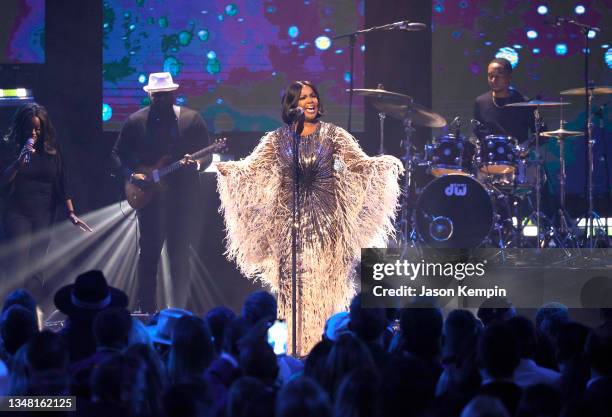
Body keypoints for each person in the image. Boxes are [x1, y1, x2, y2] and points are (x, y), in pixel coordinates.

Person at [216, 80, 403, 355]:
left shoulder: (334, 135)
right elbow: (251, 168)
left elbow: (359, 164)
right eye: (303, 98)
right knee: (294, 289)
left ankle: (325, 349)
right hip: (288, 226)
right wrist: (230, 170)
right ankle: (295, 349)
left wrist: (382, 164)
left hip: (327, 225)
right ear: (292, 105)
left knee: (325, 286)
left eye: (313, 96)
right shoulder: (277, 138)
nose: (310, 101)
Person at [112, 72, 210, 313]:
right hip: (150, 200)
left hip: (182, 200)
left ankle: (179, 309)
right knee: (148, 256)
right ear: (150, 96)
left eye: (165, 96)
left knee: (180, 256)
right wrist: (133, 176)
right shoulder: (136, 121)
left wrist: (196, 164)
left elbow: (206, 154)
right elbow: (116, 155)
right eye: (157, 96)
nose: (161, 101)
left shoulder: (191, 119)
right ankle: (146, 309)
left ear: (173, 94)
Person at [0, 103, 90, 294]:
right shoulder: (10, 147)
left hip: (44, 213)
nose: (34, 133)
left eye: (38, 128)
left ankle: (31, 311)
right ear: (21, 127)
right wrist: (18, 163)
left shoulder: (52, 149)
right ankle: (14, 310)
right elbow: (3, 181)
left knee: (36, 267)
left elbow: (62, 182)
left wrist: (71, 213)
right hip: (17, 213)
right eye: (30, 128)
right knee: (18, 264)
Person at [473, 57, 535, 144]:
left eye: (498, 76)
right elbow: (476, 133)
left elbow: (540, 134)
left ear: (509, 77)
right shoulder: (481, 102)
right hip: (489, 155)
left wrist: (526, 146)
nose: (493, 80)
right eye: (490, 76)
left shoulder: (525, 103)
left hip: (517, 156)